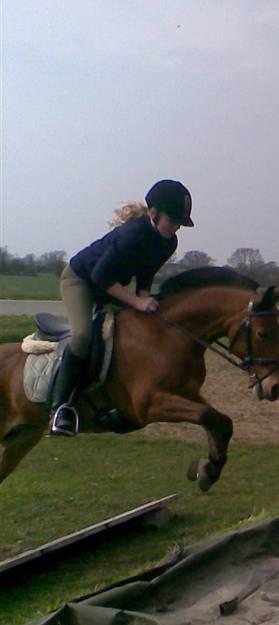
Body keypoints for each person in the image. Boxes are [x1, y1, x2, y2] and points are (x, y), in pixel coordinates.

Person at [48, 179, 194, 436]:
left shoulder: (168, 242)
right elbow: (100, 276)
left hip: (109, 286)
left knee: (134, 332)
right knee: (83, 335)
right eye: (172, 220)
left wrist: (145, 298)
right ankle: (60, 408)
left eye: (180, 223)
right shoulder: (134, 233)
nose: (176, 227)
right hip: (81, 280)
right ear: (153, 213)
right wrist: (137, 302)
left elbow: (146, 274)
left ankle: (118, 401)